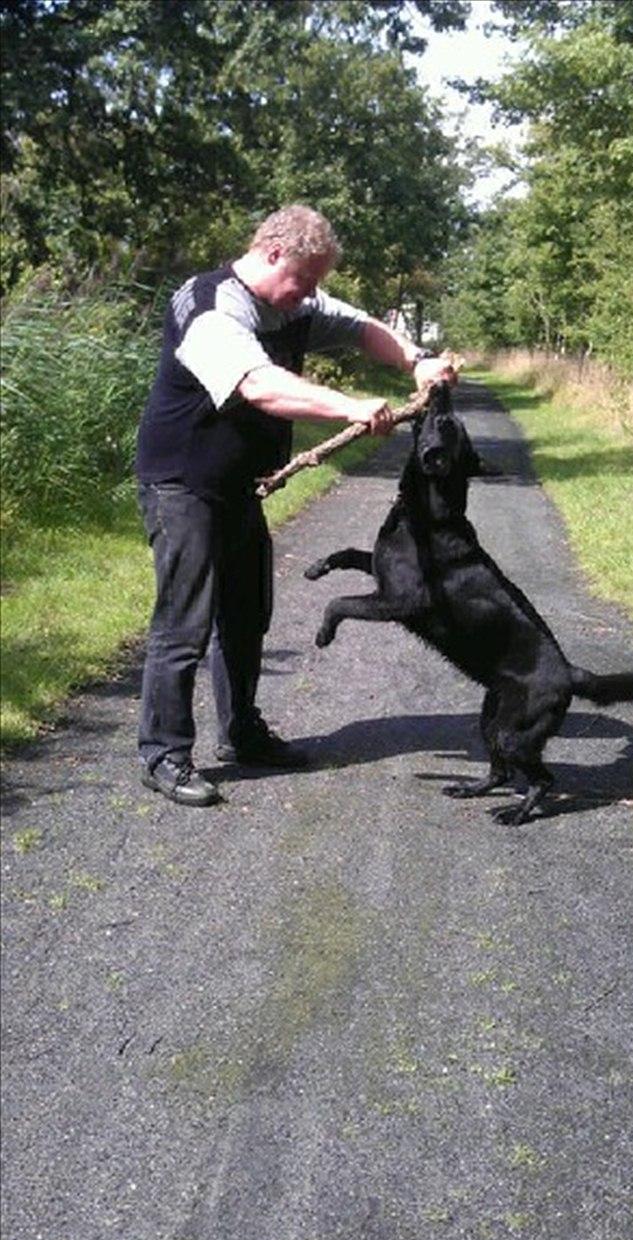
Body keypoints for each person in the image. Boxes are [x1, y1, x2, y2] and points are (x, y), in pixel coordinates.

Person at [135, 204, 456, 806]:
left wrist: (417, 359)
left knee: (246, 613)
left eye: (314, 286)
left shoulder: (296, 301)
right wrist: (350, 405)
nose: (309, 296)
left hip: (238, 487)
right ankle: (164, 754)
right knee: (184, 623)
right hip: (181, 482)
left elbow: (363, 327)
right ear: (273, 252)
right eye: (304, 281)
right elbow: (255, 383)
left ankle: (242, 733)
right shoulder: (210, 306)